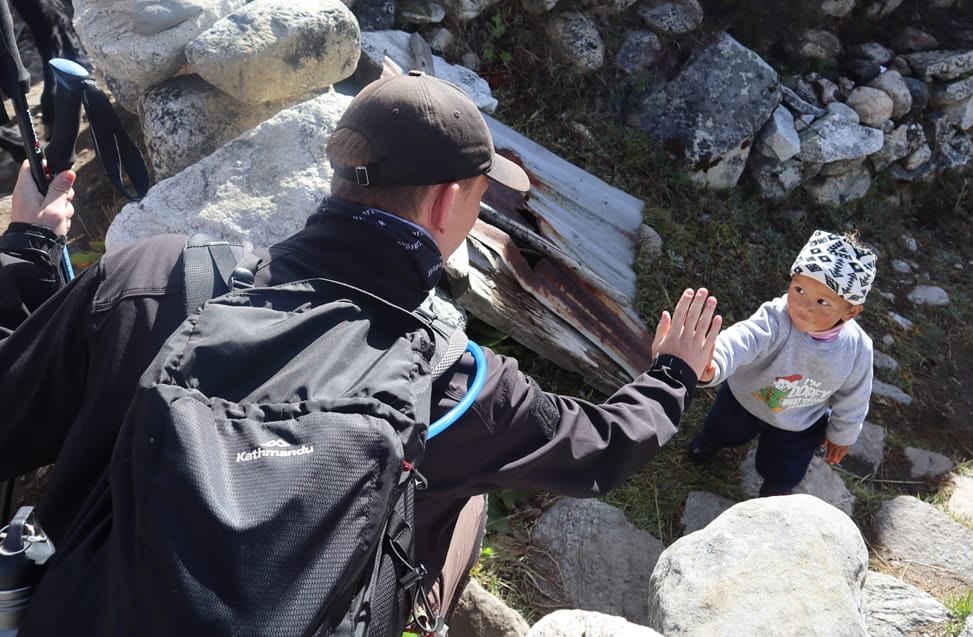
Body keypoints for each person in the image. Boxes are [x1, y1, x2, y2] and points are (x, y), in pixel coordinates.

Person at [0, 70, 722, 635]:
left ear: (341, 175)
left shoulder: (153, 278)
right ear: (446, 207)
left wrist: (29, 248)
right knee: (464, 500)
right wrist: (671, 374)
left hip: (87, 609)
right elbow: (603, 447)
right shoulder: (463, 385)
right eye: (479, 199)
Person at [685, 229, 877, 497]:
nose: (803, 305)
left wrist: (841, 435)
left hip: (801, 418)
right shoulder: (777, 318)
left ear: (851, 311)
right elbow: (745, 338)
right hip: (747, 397)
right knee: (724, 428)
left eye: (822, 301)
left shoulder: (857, 350)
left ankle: (774, 494)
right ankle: (707, 443)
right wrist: (715, 361)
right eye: (799, 289)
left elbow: (854, 398)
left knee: (785, 465)